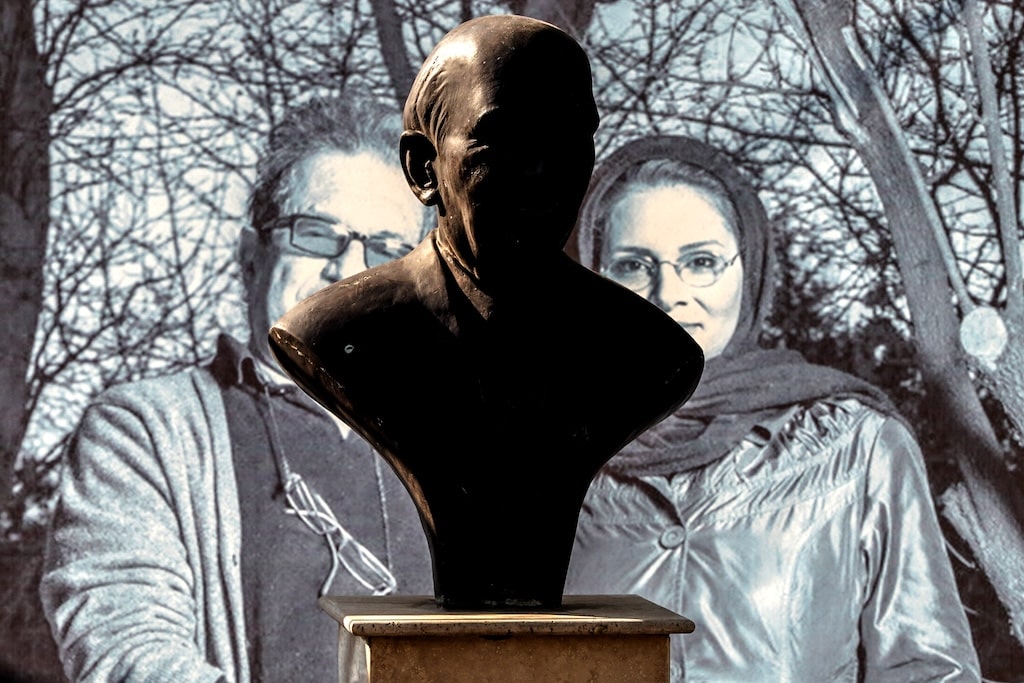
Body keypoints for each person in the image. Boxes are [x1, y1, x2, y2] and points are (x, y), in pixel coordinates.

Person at [269, 16, 703, 610]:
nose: (542, 171)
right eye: (503, 139)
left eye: (570, 137)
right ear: (424, 168)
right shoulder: (337, 335)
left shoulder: (649, 354)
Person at [40, 97, 433, 683]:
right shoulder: (145, 431)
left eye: (386, 248)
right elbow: (128, 650)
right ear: (251, 257)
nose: (348, 270)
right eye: (316, 234)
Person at [565, 135, 981, 682]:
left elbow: (928, 670)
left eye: (702, 261)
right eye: (633, 265)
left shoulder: (854, 446)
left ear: (751, 270)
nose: (668, 293)